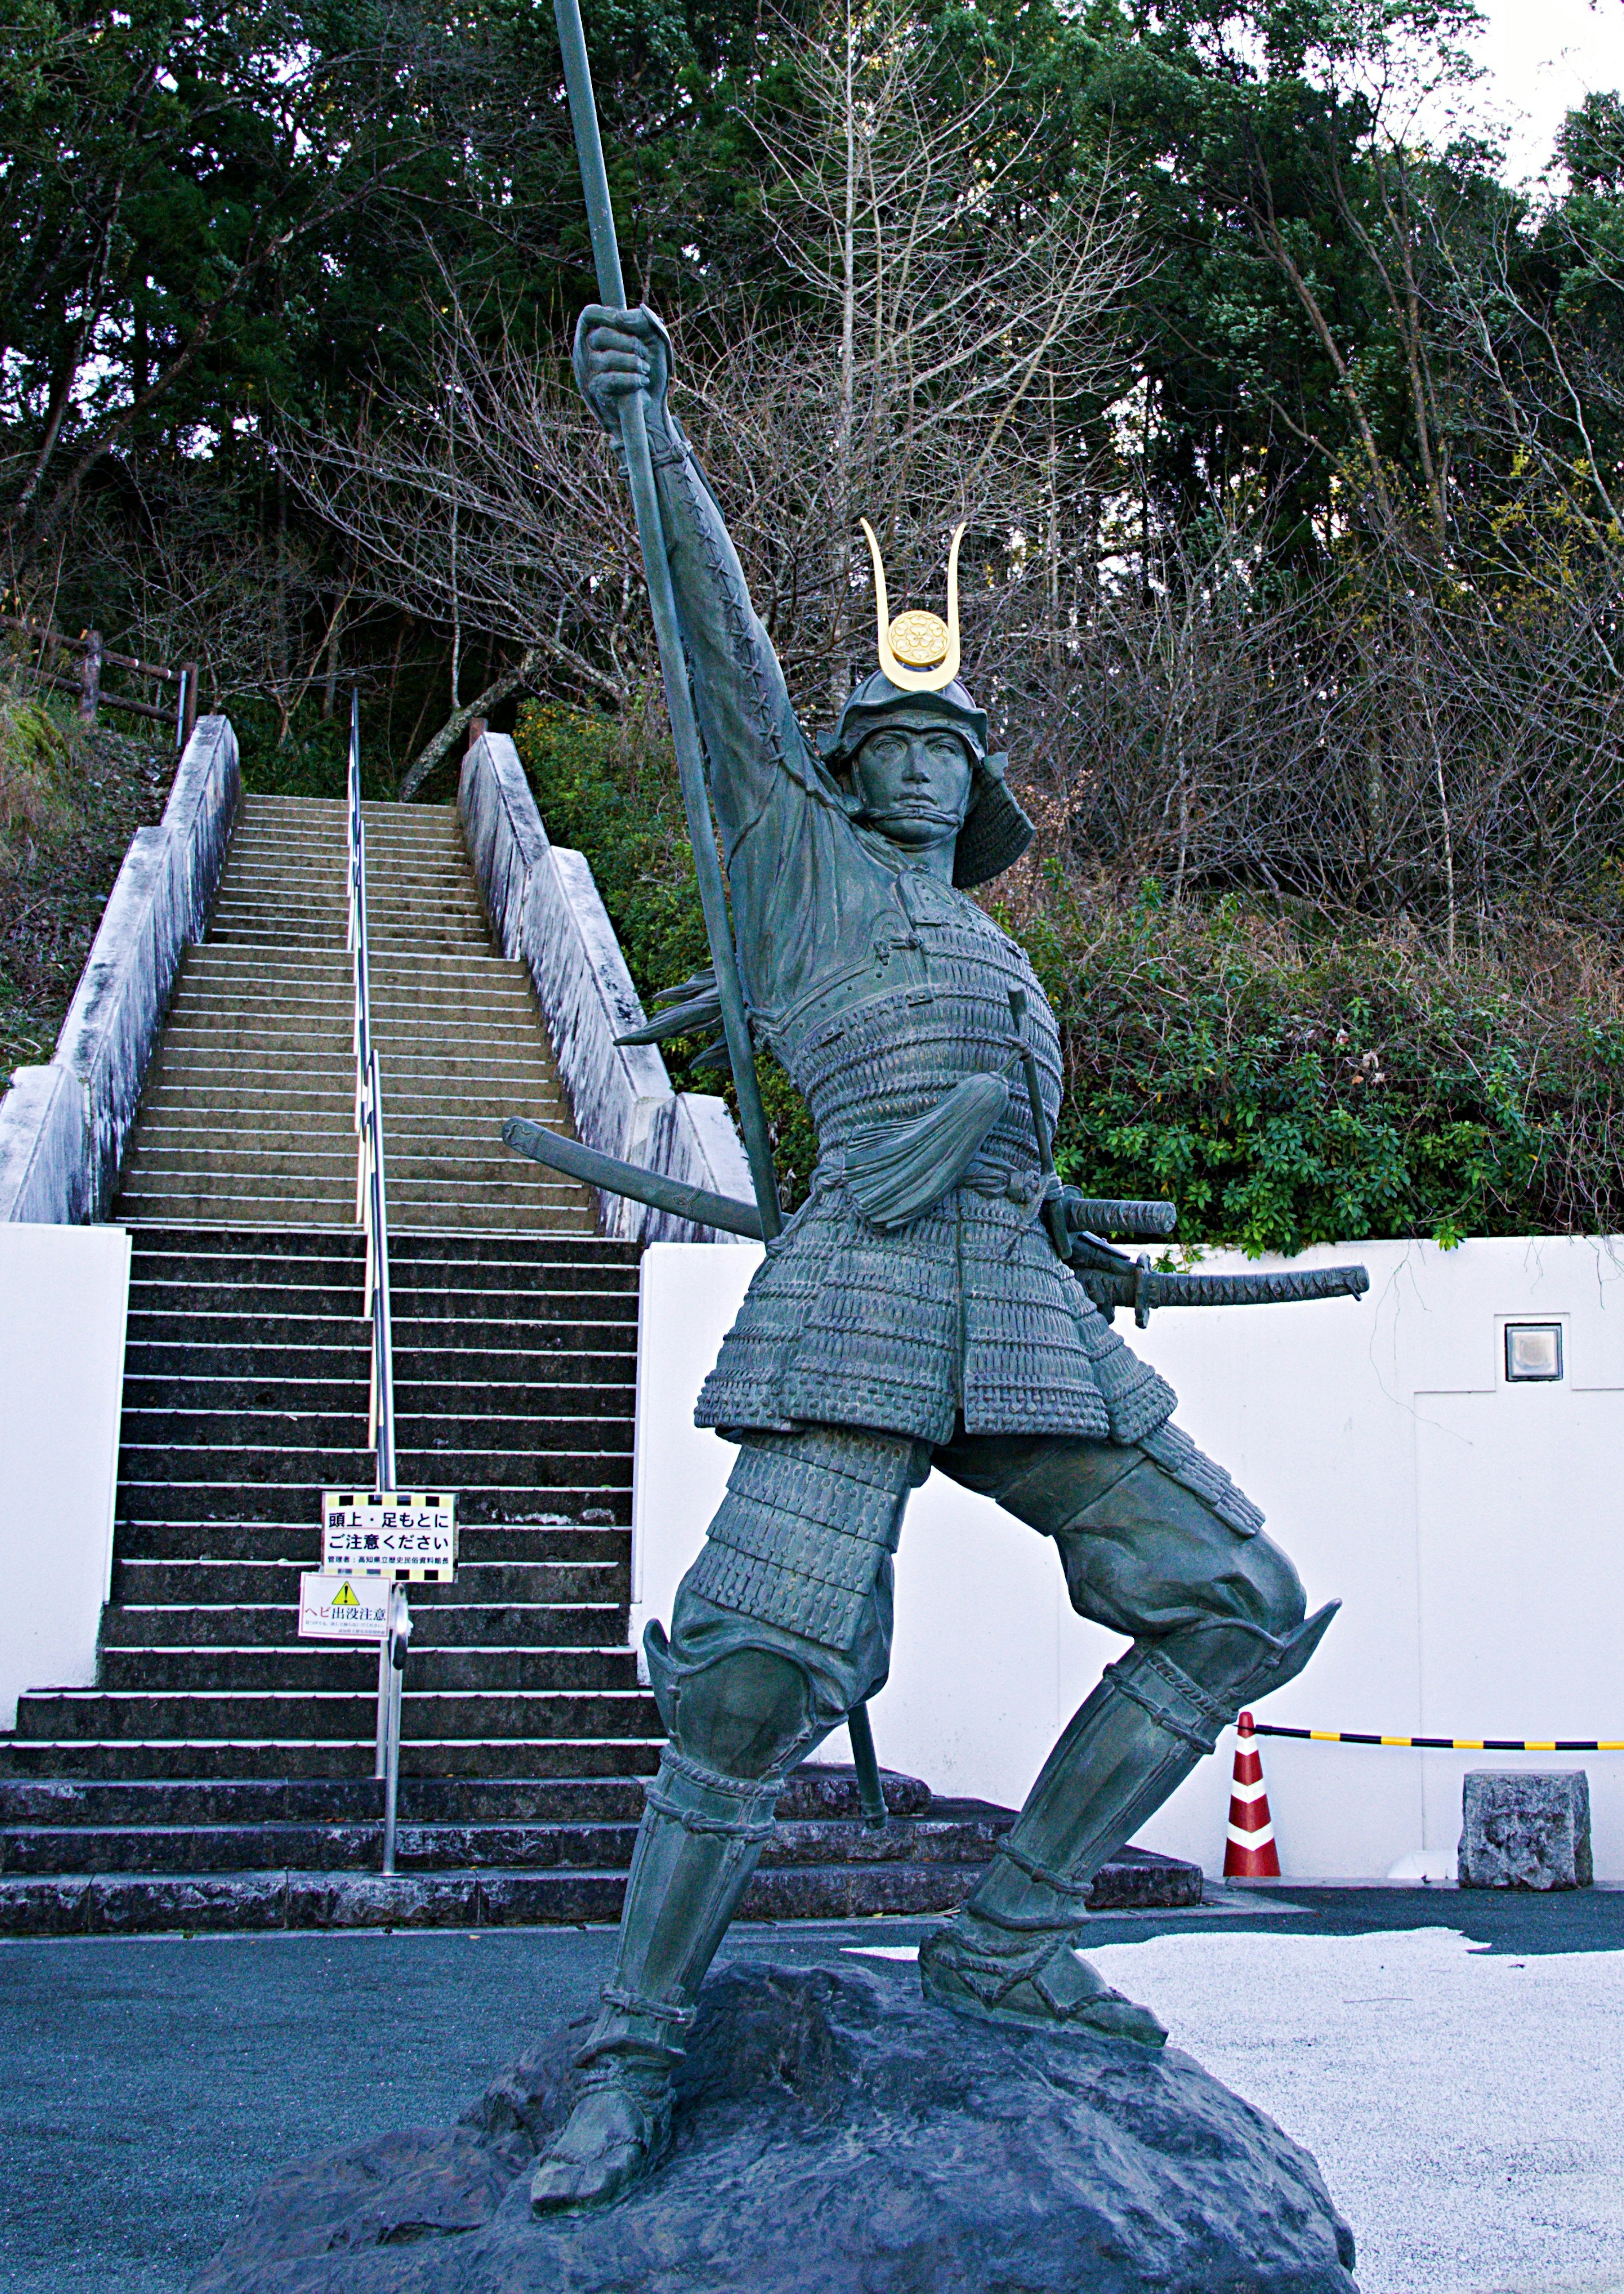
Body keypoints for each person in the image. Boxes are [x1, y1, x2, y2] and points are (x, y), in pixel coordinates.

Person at [531, 303, 1335, 2212]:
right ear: (842, 767)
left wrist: (1054, 1211)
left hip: (1023, 1314)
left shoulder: (995, 950)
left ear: (970, 791)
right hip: (870, 1292)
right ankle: (632, 2054)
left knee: (1237, 1597)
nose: (913, 765)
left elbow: (996, 1123)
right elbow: (718, 666)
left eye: (940, 751)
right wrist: (655, 442)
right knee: (749, 1677)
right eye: (884, 743)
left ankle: (1009, 1932)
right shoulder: (791, 871)